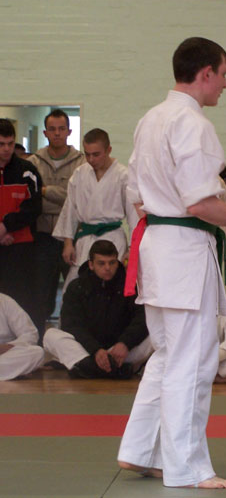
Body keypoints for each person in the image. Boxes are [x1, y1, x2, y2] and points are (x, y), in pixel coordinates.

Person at [116, 37, 226, 489]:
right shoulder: (192, 123)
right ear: (205, 73)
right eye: (223, 74)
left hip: (158, 246)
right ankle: (188, 467)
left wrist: (168, 215)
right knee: (193, 362)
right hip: (182, 250)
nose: (225, 84)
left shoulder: (151, 118)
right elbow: (200, 202)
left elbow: (136, 195)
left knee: (168, 355)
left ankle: (140, 450)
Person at [42, 240, 151, 379]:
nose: (107, 268)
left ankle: (88, 368)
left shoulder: (130, 287)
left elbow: (142, 319)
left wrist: (125, 343)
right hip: (88, 350)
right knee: (50, 335)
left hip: (119, 351)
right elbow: (71, 325)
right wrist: (95, 350)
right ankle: (113, 370)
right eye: (101, 263)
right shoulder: (77, 287)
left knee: (154, 335)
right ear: (91, 265)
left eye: (112, 262)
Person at [53, 128, 139, 288]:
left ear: (108, 150)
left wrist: (131, 248)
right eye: (87, 154)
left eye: (96, 154)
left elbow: (134, 215)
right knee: (77, 285)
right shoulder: (80, 173)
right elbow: (70, 208)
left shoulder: (123, 176)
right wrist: (68, 242)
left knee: (112, 286)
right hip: (85, 240)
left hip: (113, 239)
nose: (91, 159)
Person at [28, 110, 85, 329]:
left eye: (62, 129)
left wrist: (45, 191)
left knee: (74, 289)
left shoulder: (81, 162)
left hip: (72, 236)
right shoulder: (33, 162)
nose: (57, 133)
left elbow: (76, 199)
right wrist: (61, 197)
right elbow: (32, 198)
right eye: (52, 129)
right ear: (45, 133)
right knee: (41, 291)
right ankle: (39, 339)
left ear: (69, 131)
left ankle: (71, 336)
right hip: (42, 236)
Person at [0, 119, 44, 333]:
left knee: (23, 298)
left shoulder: (27, 171)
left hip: (21, 248)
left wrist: (6, 226)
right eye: (1, 144)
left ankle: (29, 341)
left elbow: (34, 207)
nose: (7, 149)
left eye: (10, 143)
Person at [0, 293, 45, 380]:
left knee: (37, 352)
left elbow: (30, 334)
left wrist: (9, 346)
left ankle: (12, 371)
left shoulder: (5, 301)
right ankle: (15, 371)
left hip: (5, 355)